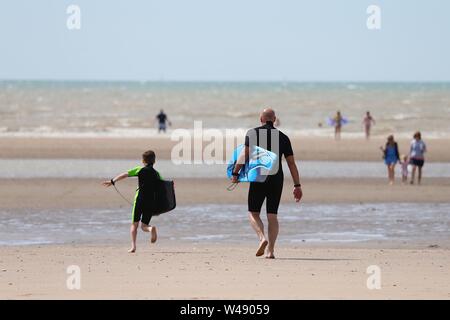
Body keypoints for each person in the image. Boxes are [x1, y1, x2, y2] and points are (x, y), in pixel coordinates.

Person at [231, 108, 303, 259]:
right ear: (274, 119)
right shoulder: (283, 137)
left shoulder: (253, 133)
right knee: (272, 215)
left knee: (253, 212)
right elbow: (291, 164)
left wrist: (236, 172)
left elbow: (245, 154)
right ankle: (270, 250)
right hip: (277, 178)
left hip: (259, 177)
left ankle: (262, 238)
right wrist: (297, 185)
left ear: (261, 119)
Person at [102, 150, 161, 253]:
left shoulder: (139, 170)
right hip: (150, 202)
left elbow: (125, 174)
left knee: (134, 224)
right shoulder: (156, 173)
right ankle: (151, 229)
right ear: (154, 161)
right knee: (144, 226)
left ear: (143, 160)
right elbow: (163, 187)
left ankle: (133, 247)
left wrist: (113, 181)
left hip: (139, 200)